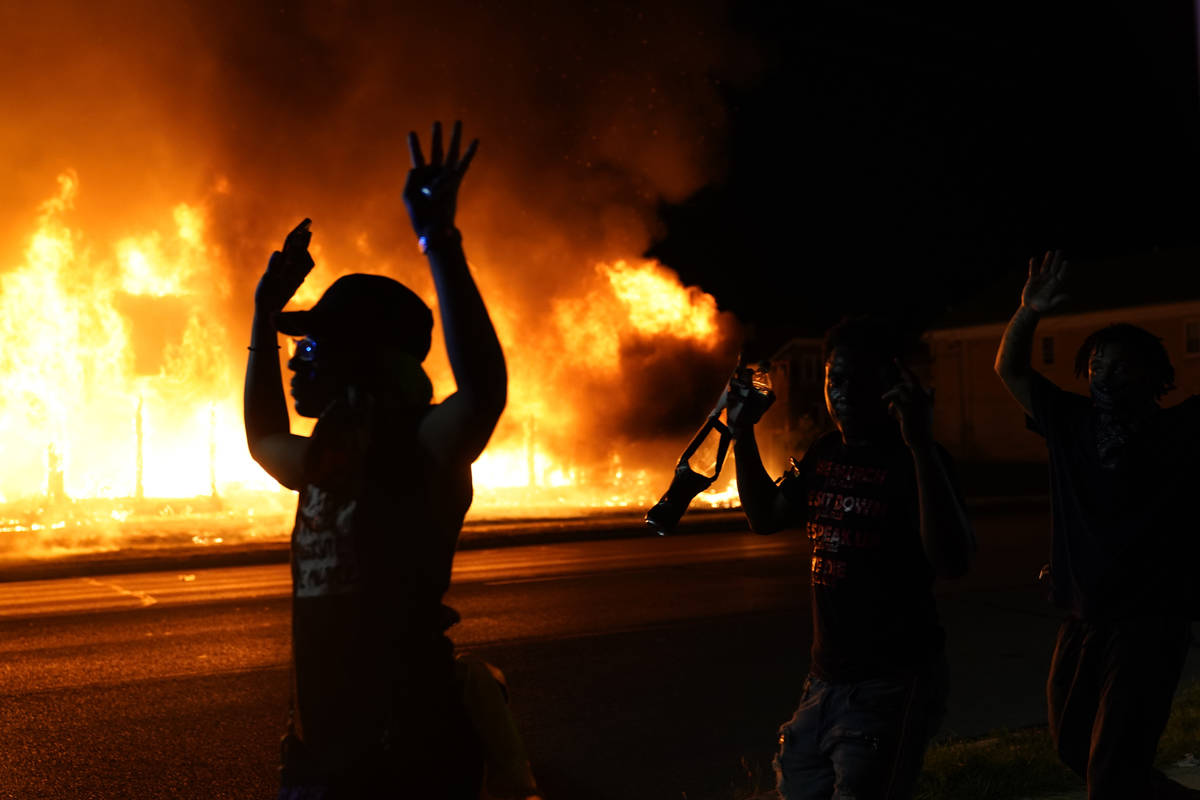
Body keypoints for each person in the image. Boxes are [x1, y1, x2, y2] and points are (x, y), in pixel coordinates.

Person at [244, 121, 508, 799]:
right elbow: (263, 439)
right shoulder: (330, 456)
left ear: (362, 355)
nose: (299, 360)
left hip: (405, 758)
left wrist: (438, 240)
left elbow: (482, 392)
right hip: (321, 758)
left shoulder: (422, 445)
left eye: (312, 345)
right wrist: (261, 315)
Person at [730, 316, 975, 800]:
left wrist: (920, 446)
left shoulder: (917, 460)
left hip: (892, 685)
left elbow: (952, 561)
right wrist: (742, 432)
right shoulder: (824, 453)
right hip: (823, 683)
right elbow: (766, 516)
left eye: (857, 379)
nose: (841, 391)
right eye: (833, 379)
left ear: (888, 386)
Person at [994, 250, 1200, 799]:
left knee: (1111, 773)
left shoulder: (1180, 430)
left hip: (1150, 626)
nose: (1106, 374)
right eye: (1098, 364)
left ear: (1153, 376)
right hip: (1083, 620)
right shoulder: (1068, 421)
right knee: (1073, 748)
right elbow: (1010, 369)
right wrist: (1028, 311)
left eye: (1121, 365)